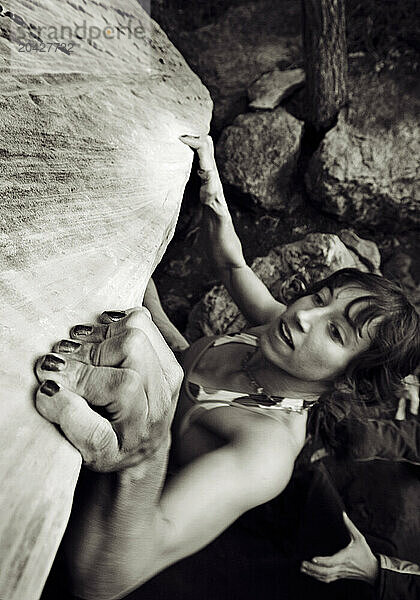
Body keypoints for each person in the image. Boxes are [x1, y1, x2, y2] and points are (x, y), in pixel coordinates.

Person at [34, 135, 420, 600]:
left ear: (348, 379)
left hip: (153, 505)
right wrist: (213, 192)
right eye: (320, 298)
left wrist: (145, 447)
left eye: (336, 333)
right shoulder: (278, 329)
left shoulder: (265, 452)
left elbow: (105, 580)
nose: (303, 316)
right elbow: (234, 265)